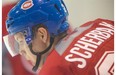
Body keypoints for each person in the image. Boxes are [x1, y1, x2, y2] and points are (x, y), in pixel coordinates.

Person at [3, 0, 114, 75]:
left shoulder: (54, 70)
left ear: (42, 35)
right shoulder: (98, 24)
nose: (21, 50)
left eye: (21, 41)